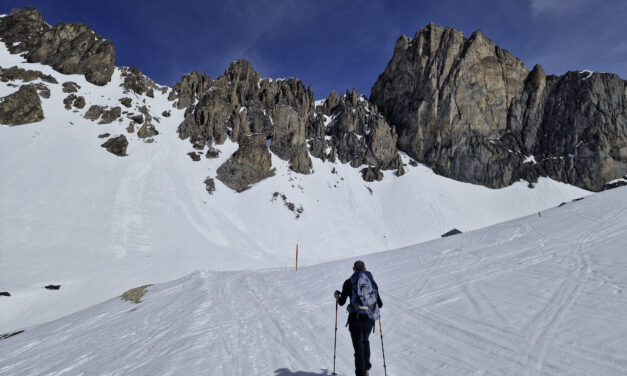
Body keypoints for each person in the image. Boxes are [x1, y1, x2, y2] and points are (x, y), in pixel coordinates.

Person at [334, 260, 383, 376]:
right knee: (365, 341)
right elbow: (379, 304)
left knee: (358, 349)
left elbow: (341, 302)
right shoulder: (371, 281)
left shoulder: (348, 282)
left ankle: (361, 373)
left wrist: (337, 296)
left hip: (355, 319)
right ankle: (366, 369)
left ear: (353, 269)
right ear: (365, 268)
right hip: (369, 319)